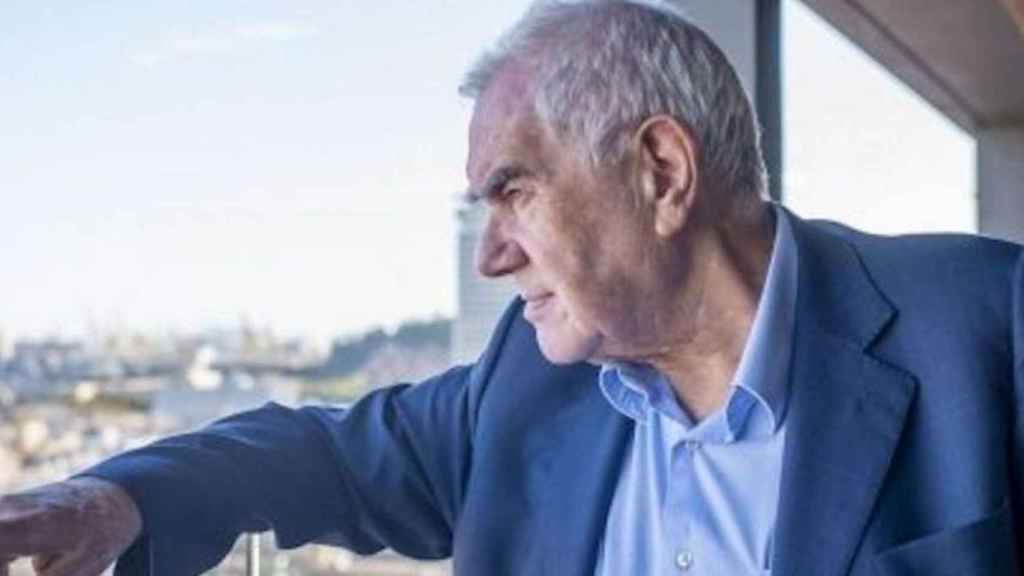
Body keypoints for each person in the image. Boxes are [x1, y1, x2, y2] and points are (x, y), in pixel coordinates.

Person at [2, 1, 1022, 574]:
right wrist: (113, 498)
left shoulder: (991, 329)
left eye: (514, 193)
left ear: (660, 172)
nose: (492, 256)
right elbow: (328, 454)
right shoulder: (529, 390)